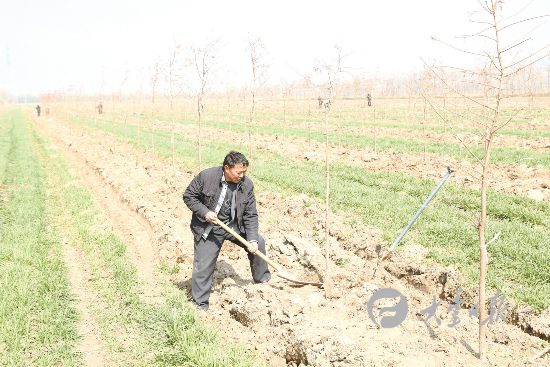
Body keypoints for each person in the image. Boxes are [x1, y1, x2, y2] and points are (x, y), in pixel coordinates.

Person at [183, 151, 271, 311]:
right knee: (203, 265)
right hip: (209, 227)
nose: (242, 176)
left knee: (259, 242)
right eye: (239, 172)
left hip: (234, 225)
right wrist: (205, 212)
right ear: (226, 168)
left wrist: (252, 240)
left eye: (244, 172)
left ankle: (262, 281)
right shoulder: (207, 177)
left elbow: (250, 213)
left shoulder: (247, 185)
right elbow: (189, 196)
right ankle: (200, 304)